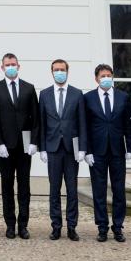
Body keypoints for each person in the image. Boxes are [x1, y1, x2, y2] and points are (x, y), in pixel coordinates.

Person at [0, 52, 39, 239]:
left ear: (18, 66)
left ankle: (23, 225)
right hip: (5, 147)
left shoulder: (29, 88)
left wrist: (34, 141)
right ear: (2, 68)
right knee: (6, 186)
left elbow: (36, 118)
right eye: (7, 65)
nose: (11, 67)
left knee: (24, 187)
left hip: (25, 147)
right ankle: (10, 224)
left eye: (13, 64)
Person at [38, 58, 87, 241]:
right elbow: (41, 124)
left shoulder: (77, 94)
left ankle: (72, 226)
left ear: (68, 71)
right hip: (52, 149)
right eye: (56, 69)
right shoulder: (44, 94)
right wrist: (42, 148)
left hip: (71, 149)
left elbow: (82, 122)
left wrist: (82, 148)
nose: (59, 72)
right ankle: (56, 226)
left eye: (62, 69)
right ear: (52, 72)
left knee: (72, 190)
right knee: (54, 189)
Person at [83, 63, 131, 242]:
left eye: (109, 75)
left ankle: (118, 227)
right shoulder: (88, 98)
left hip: (118, 150)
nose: (106, 78)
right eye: (102, 76)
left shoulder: (123, 97)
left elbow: (128, 123)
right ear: (96, 79)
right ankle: (102, 227)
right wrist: (86, 150)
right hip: (97, 151)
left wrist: (130, 147)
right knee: (99, 190)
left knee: (119, 190)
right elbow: (85, 126)